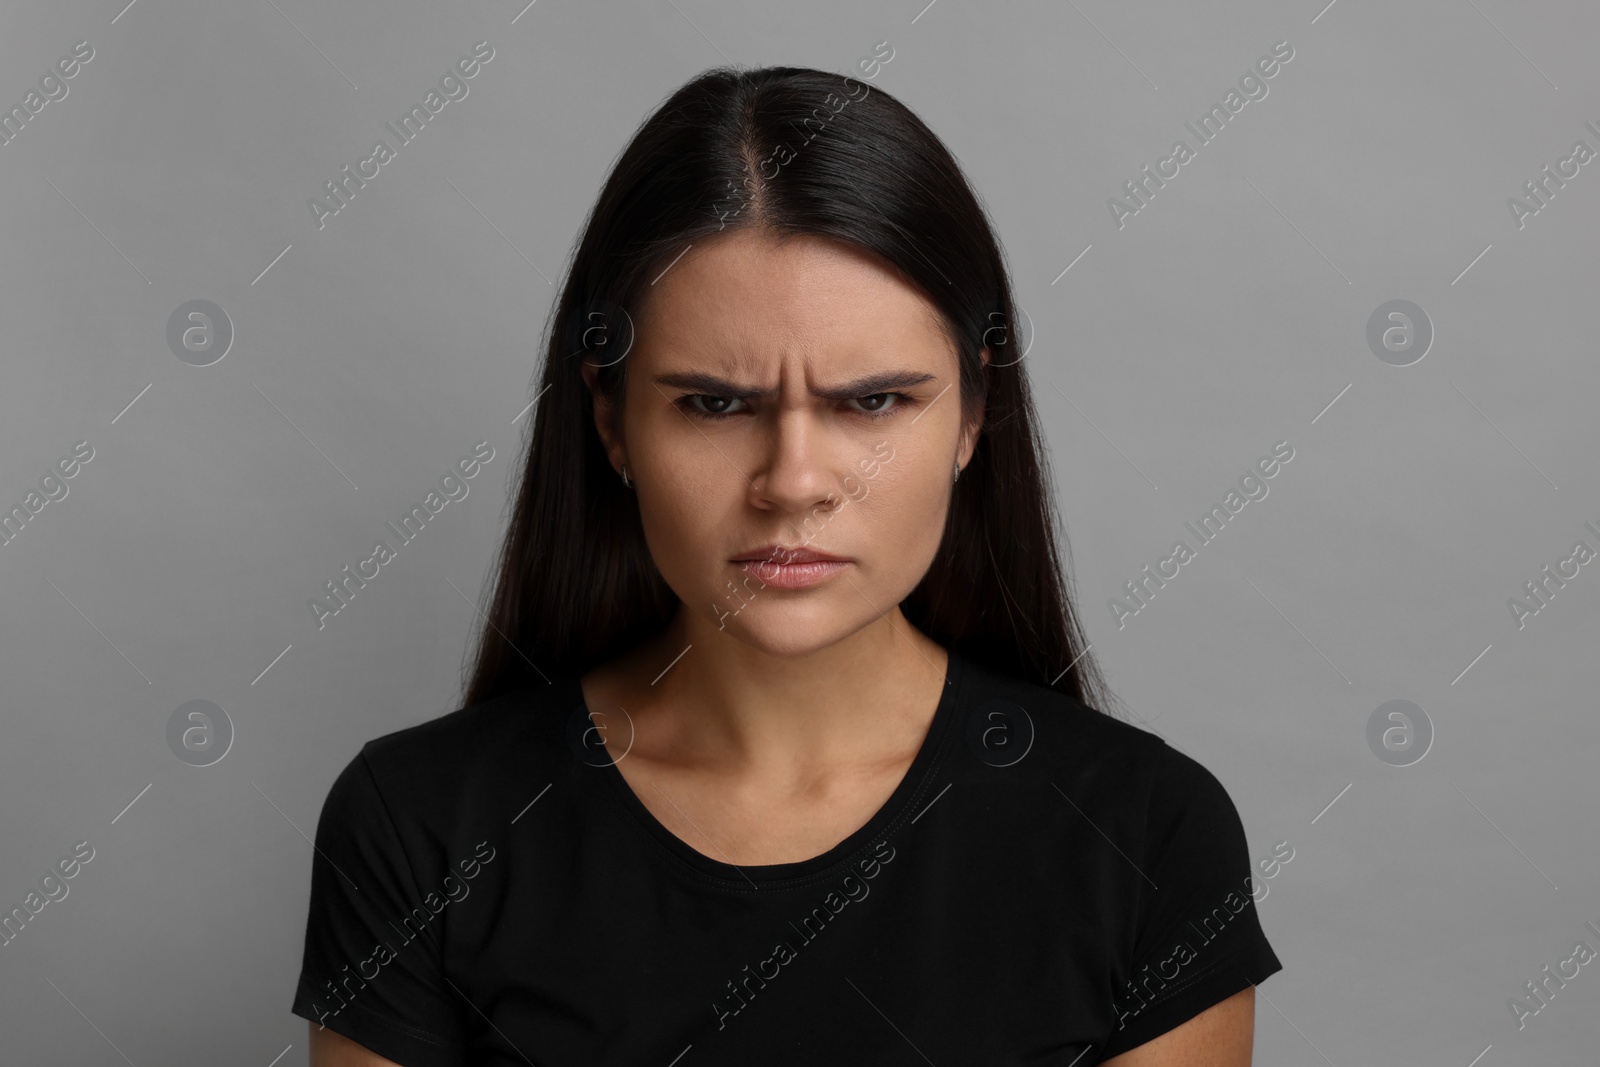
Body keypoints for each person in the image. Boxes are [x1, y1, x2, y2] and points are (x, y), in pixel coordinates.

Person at [291, 64, 1282, 1066]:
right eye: (715, 404)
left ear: (974, 415)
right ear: (610, 419)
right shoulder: (420, 827)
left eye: (872, 401)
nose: (792, 481)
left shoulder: (1146, 839)